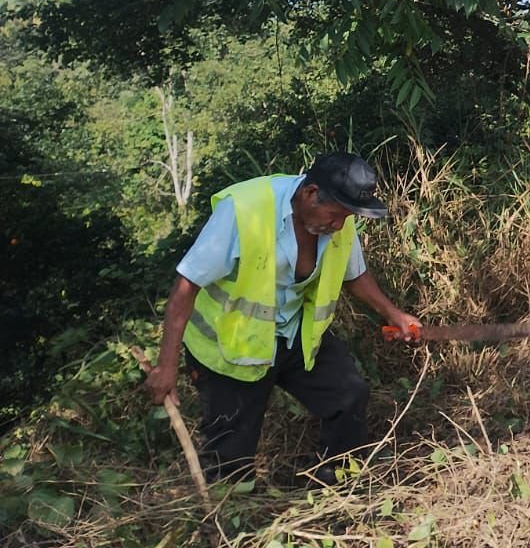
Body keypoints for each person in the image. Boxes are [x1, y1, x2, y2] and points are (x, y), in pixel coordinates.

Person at [143, 151, 421, 485]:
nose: (338, 226)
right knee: (231, 457)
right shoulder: (244, 210)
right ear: (310, 193)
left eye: (346, 218)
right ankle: (232, 510)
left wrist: (393, 314)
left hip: (294, 334)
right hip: (230, 347)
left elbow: (355, 275)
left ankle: (337, 486)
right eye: (335, 215)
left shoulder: (338, 222)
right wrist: (167, 365)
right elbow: (186, 286)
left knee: (349, 395)